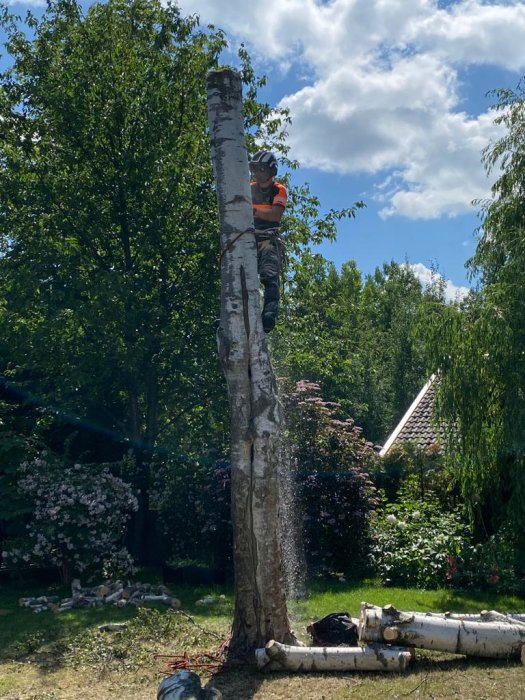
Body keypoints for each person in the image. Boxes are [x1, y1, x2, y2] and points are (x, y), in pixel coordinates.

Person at [249, 150, 287, 333]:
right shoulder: (248, 189)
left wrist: (251, 211)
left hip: (267, 238)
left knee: (269, 275)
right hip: (246, 239)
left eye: (262, 170)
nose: (258, 174)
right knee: (239, 274)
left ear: (271, 171)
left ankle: (269, 315)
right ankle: (234, 315)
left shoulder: (278, 190)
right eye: (255, 169)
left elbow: (275, 215)